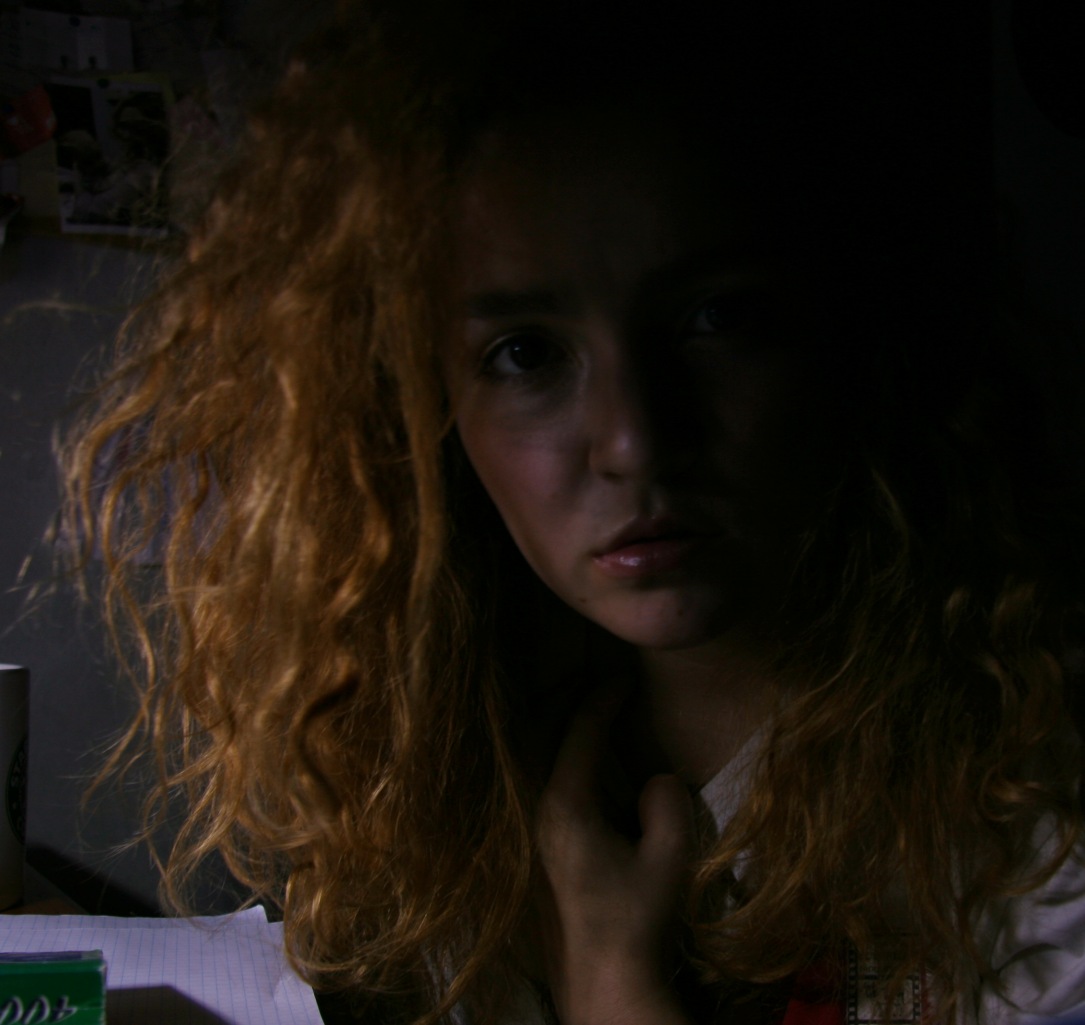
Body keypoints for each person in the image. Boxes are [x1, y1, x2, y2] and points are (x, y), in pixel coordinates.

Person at [61, 1, 1085, 1022]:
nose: (632, 439)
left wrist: (616, 991)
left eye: (714, 317)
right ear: (426, 409)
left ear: (847, 325)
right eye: (526, 353)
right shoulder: (446, 754)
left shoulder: (1028, 809)